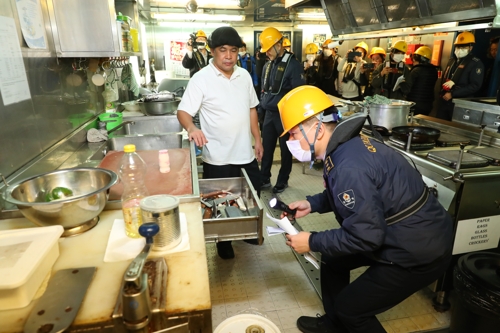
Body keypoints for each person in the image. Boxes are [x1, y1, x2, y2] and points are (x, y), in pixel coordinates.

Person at [276, 85, 453, 333]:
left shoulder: (349, 165)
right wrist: (312, 204)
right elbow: (358, 195)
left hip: (418, 250)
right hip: (401, 230)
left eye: (293, 135)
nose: (290, 142)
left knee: (352, 309)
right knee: (334, 259)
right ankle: (333, 324)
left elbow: (366, 236)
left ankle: (343, 316)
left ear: (315, 127)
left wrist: (312, 240)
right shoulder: (348, 144)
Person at [177, 26, 263, 260]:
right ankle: (223, 242)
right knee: (219, 202)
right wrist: (192, 128)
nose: (228, 56)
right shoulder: (201, 79)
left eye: (233, 51)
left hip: (245, 152)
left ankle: (246, 232)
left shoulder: (244, 75)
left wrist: (258, 139)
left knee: (250, 196)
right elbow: (183, 112)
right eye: (222, 50)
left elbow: (251, 109)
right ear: (212, 51)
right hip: (218, 156)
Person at [259, 27, 305, 193]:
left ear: (279, 45)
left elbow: (298, 93)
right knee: (267, 148)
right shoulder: (268, 66)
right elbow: (264, 91)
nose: (267, 53)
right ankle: (264, 178)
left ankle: (282, 180)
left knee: (286, 150)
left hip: (285, 116)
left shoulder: (293, 66)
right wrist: (260, 112)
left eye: (269, 48)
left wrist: (296, 118)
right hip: (269, 115)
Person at [437, 31, 484, 120]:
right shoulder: (452, 61)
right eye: (458, 46)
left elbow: (475, 85)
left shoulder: (475, 63)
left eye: (463, 47)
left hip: (459, 102)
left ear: (470, 47)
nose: (460, 49)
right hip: (444, 100)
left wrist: (453, 93)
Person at [399, 46, 438, 116]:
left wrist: (401, 83)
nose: (413, 60)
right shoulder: (434, 70)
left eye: (414, 58)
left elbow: (407, 88)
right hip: (428, 105)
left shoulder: (416, 70)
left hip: (415, 104)